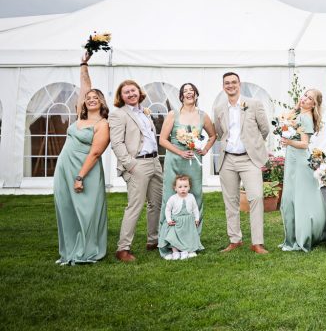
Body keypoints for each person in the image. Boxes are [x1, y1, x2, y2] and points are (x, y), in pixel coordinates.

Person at [53, 52, 109, 265]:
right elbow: (85, 85)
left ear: (101, 102)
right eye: (88, 98)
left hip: (86, 171)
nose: (91, 99)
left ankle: (87, 251)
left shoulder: (102, 124)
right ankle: (68, 251)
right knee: (65, 207)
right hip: (64, 167)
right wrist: (84, 63)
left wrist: (80, 177)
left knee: (86, 211)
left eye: (96, 97)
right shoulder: (80, 117)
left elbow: (95, 152)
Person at [213, 72, 270, 254]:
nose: (230, 85)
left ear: (240, 84)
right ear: (223, 86)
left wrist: (252, 145)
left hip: (249, 159)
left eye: (233, 82)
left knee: (256, 197)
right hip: (227, 159)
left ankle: (257, 243)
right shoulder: (219, 109)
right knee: (231, 201)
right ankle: (234, 239)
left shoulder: (254, 104)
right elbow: (220, 132)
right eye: (227, 83)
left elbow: (265, 129)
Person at [157, 83, 216, 258]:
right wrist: (180, 152)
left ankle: (191, 241)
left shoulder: (203, 116)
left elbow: (213, 135)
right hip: (175, 161)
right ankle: (168, 241)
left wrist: (204, 150)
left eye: (192, 91)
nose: (189, 94)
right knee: (169, 198)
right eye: (185, 91)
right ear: (181, 96)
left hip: (193, 164)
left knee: (195, 198)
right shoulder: (173, 114)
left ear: (196, 95)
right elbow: (163, 140)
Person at [110, 78, 163, 262]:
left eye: (133, 90)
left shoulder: (144, 112)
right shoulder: (118, 114)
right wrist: (129, 164)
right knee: (135, 206)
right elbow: (116, 143)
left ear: (139, 92)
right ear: (121, 96)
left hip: (155, 161)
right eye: (127, 92)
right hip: (137, 164)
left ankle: (153, 241)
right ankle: (122, 248)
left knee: (156, 203)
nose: (131, 94)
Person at [280, 89, 326, 251]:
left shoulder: (306, 118)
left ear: (314, 104)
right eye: (304, 95)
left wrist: (288, 141)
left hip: (299, 161)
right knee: (291, 198)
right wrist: (296, 106)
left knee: (299, 199)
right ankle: (293, 235)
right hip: (293, 160)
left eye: (309, 98)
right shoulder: (299, 114)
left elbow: (304, 144)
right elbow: (285, 118)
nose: (304, 98)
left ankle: (304, 236)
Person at [159, 174, 203, 260]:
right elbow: (168, 209)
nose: (183, 189)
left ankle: (187, 250)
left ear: (189, 187)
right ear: (175, 188)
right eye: (180, 187)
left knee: (188, 236)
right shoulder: (173, 198)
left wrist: (197, 218)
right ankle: (175, 252)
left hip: (188, 222)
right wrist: (169, 220)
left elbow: (195, 209)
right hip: (176, 221)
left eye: (185, 186)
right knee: (173, 236)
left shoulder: (191, 197)